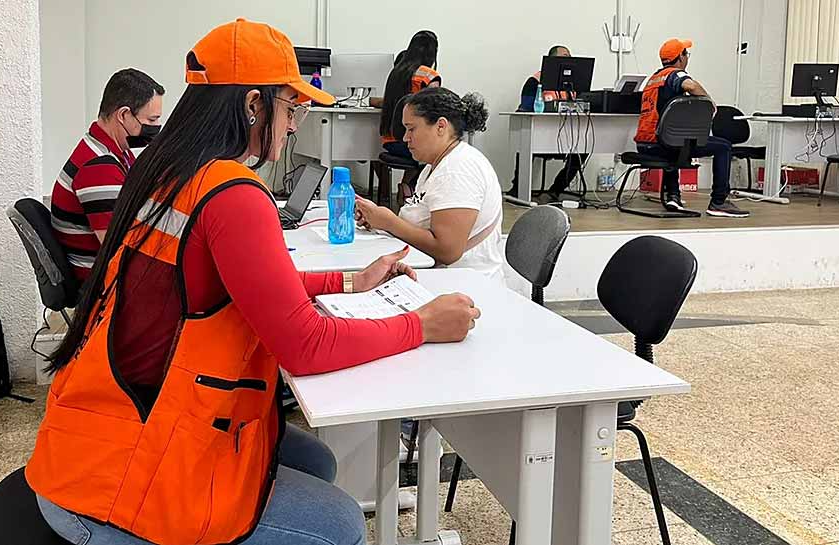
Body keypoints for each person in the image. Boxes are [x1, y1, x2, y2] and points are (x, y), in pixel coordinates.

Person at [26, 19, 479, 545]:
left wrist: (352, 280)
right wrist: (421, 324)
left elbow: (244, 283)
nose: (293, 127)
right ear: (252, 106)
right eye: (291, 109)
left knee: (313, 459)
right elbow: (306, 344)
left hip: (93, 429)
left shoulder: (165, 168)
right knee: (342, 524)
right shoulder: (233, 193)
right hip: (113, 480)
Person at [356, 87, 505, 284]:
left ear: (441, 126)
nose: (405, 138)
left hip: (463, 285)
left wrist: (389, 222)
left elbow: (447, 251)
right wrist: (378, 220)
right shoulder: (434, 167)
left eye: (411, 129)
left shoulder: (458, 170)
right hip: (440, 277)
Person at [50, 68, 165, 281]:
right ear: (123, 115)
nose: (156, 128)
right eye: (151, 120)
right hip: (100, 280)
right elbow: (121, 247)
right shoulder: (98, 167)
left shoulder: (110, 150)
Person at [635, 38, 750, 218]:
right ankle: (719, 202)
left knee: (676, 141)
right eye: (686, 53)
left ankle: (672, 195)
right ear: (680, 57)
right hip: (662, 145)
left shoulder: (653, 79)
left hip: (645, 144)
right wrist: (709, 101)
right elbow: (691, 85)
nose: (687, 57)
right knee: (723, 146)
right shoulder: (675, 75)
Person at [508, 45, 588, 201]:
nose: (569, 60)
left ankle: (555, 190)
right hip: (539, 137)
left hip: (565, 137)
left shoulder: (572, 86)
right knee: (525, 143)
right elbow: (526, 108)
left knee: (583, 148)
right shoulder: (535, 81)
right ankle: (517, 188)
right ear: (552, 60)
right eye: (565, 56)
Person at [379, 30, 441, 159]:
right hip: (411, 142)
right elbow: (435, 107)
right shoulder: (428, 75)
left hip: (389, 141)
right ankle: (410, 180)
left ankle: (406, 180)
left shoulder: (396, 73)